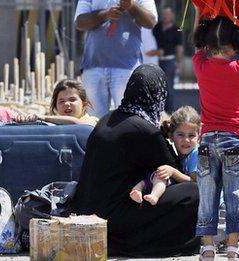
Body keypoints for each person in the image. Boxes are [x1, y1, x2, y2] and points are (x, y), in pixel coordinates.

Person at [73, 64, 200, 257]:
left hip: (87, 213)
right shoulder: (144, 130)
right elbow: (171, 171)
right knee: (192, 192)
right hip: (114, 222)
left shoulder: (107, 118)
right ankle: (142, 244)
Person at [191, 0, 239, 259]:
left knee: (207, 196)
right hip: (234, 140)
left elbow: (197, 42)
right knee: (235, 196)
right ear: (235, 44)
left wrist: (200, 11)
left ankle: (208, 248)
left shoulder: (200, 65)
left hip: (206, 140)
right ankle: (233, 249)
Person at [75, 0, 158, 118]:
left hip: (127, 68)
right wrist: (105, 15)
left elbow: (151, 21)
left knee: (127, 120)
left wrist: (132, 6)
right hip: (93, 67)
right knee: (93, 122)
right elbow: (80, 22)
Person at [129, 106, 199, 205]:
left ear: (199, 137)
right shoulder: (179, 156)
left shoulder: (196, 155)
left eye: (191, 135)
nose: (186, 140)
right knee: (157, 175)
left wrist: (173, 172)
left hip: (209, 206)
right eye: (180, 135)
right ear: (171, 136)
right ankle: (138, 191)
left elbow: (194, 183)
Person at [14, 79, 98, 126]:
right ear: (56, 107)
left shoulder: (92, 121)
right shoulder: (52, 125)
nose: (66, 104)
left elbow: (78, 123)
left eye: (72, 100)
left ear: (84, 104)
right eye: (61, 101)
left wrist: (44, 117)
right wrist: (24, 122)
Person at [151, 6, 184, 113]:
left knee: (168, 88)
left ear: (172, 16)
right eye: (164, 14)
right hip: (155, 60)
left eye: (167, 14)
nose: (165, 16)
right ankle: (157, 111)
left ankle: (169, 113)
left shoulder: (176, 29)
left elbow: (179, 47)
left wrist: (178, 63)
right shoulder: (156, 27)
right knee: (155, 87)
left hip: (169, 61)